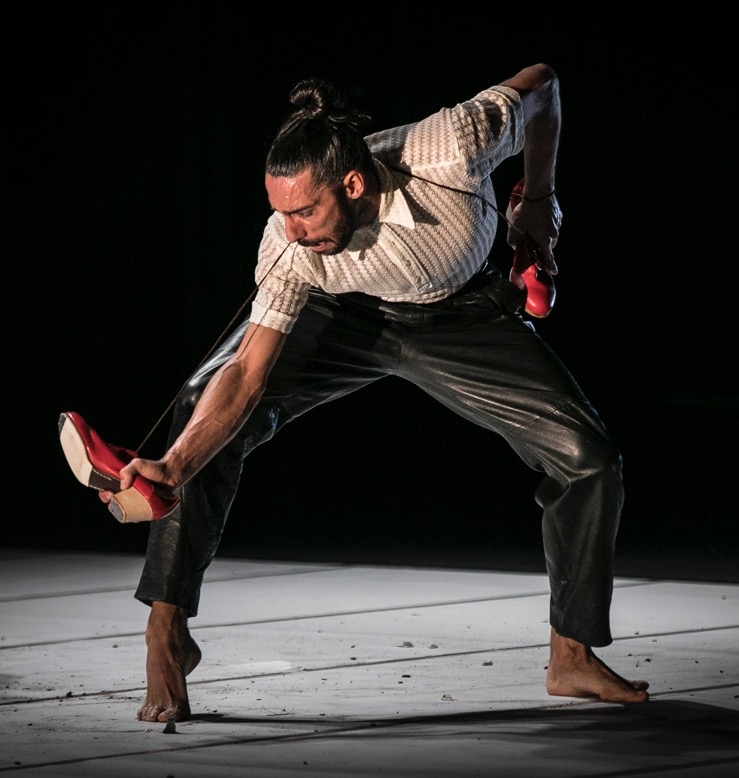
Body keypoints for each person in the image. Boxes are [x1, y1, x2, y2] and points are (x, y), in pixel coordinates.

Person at [97, 63, 650, 722]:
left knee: (590, 460)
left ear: (352, 183)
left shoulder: (453, 143)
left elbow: (545, 86)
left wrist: (537, 195)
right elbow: (247, 373)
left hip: (459, 317)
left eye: (304, 210)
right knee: (203, 406)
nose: (292, 229)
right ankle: (167, 629)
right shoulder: (289, 244)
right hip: (344, 318)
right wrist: (172, 466)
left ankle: (572, 653)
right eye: (281, 213)